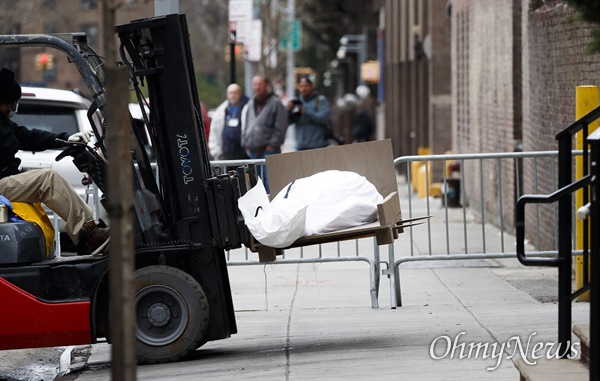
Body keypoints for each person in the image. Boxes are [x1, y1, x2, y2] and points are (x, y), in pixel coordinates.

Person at [0, 68, 109, 254]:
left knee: (46, 182)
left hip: (6, 179)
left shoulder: (4, 123)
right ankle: (89, 232)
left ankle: (88, 232)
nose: (12, 108)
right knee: (48, 180)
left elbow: (29, 136)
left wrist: (66, 139)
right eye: (10, 104)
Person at [241, 75, 288, 193]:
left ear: (266, 85)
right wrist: (245, 142)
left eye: (260, 84)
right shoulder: (251, 103)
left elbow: (281, 126)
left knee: (270, 185)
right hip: (253, 151)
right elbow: (246, 124)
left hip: (269, 151)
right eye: (255, 84)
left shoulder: (275, 102)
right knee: (256, 186)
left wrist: (272, 145)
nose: (257, 87)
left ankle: (272, 210)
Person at [287, 76, 333, 151]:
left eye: (306, 86)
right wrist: (289, 111)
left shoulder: (321, 100)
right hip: (300, 147)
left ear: (311, 86)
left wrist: (306, 113)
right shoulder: (297, 102)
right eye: (301, 86)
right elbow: (288, 122)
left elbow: (324, 119)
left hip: (318, 147)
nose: (303, 89)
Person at [209, 83, 249, 160]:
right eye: (230, 93)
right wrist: (216, 152)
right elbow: (214, 132)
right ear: (227, 95)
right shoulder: (220, 111)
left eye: (235, 92)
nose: (233, 95)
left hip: (243, 155)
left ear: (240, 94)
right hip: (225, 155)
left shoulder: (248, 108)